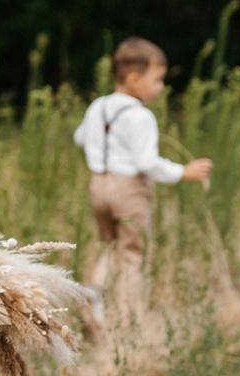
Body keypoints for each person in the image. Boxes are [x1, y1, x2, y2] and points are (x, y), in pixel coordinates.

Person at [73, 36, 212, 327]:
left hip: (99, 186)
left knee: (111, 244)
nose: (161, 88)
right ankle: (126, 317)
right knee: (132, 254)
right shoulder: (140, 116)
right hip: (128, 190)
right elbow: (147, 163)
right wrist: (182, 172)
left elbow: (80, 138)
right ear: (135, 79)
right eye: (158, 80)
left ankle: (94, 291)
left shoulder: (98, 106)